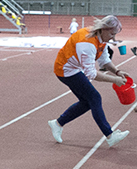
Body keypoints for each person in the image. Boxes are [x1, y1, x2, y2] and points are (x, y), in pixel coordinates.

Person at [47, 15, 130, 148]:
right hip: (65, 70)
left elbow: (104, 61)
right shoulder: (87, 43)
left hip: (74, 68)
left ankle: (57, 123)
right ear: (104, 29)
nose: (113, 38)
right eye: (112, 34)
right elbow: (91, 74)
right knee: (94, 97)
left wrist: (117, 72)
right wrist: (115, 80)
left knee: (87, 102)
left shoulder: (101, 38)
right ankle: (110, 136)